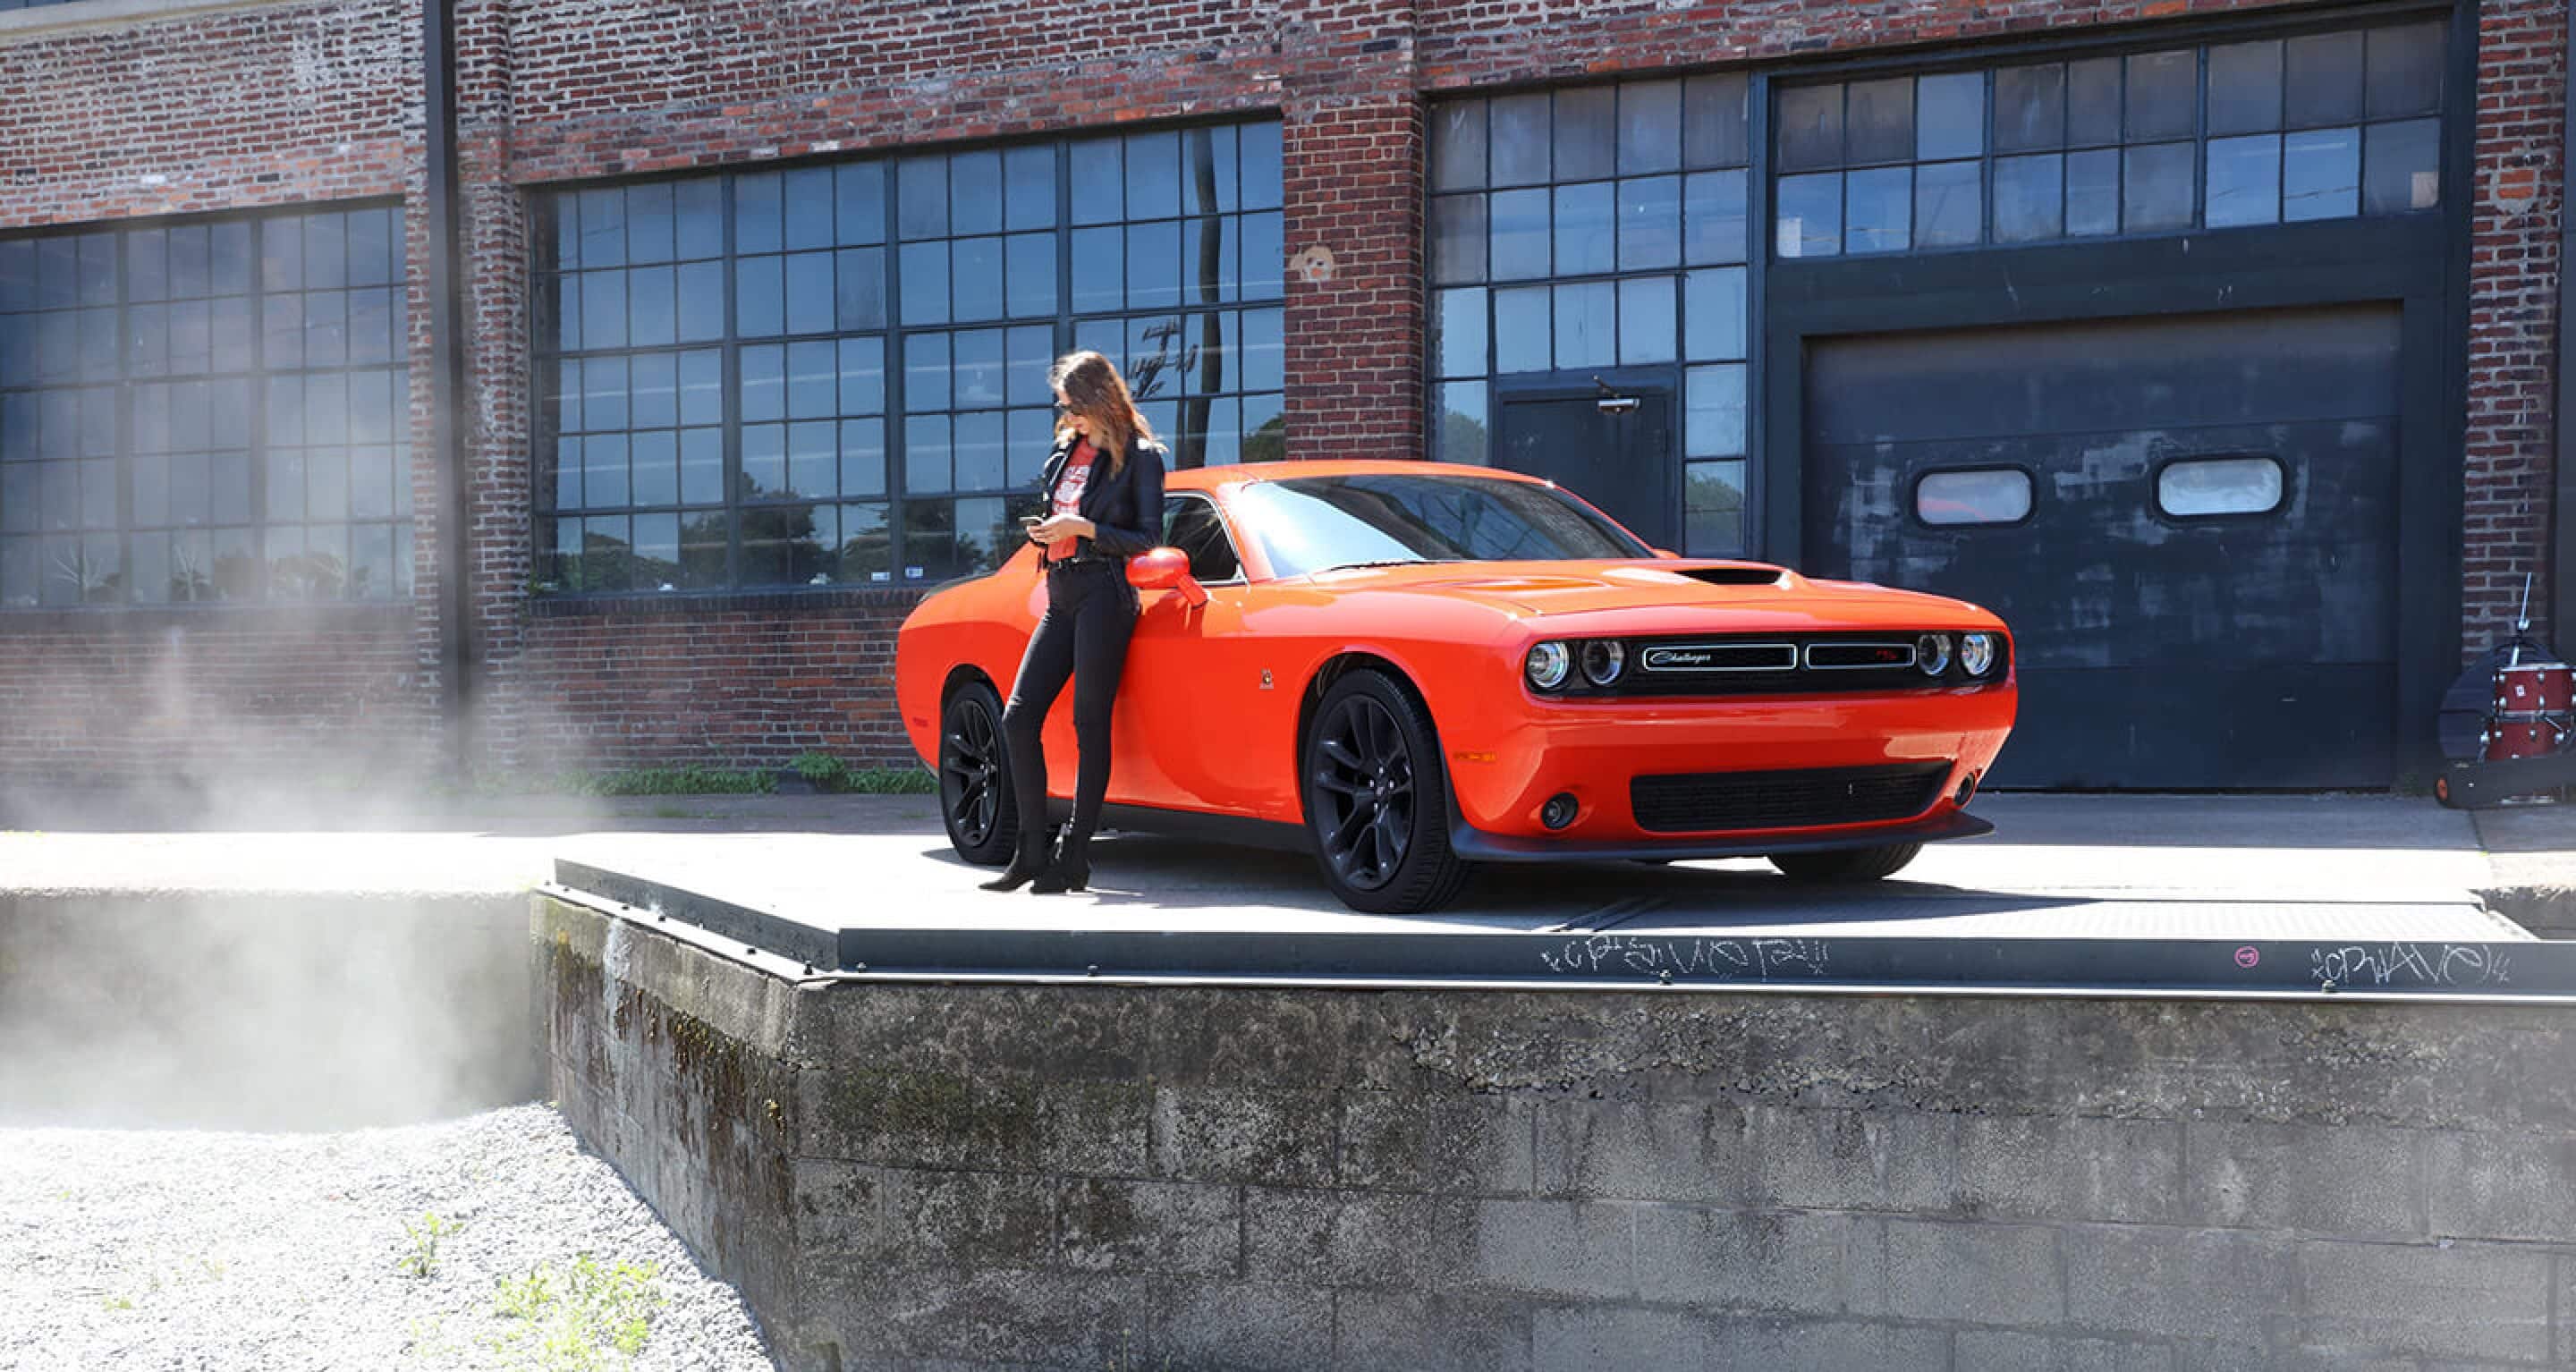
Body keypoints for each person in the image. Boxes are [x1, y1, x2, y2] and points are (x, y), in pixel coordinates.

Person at [980, 351, 1168, 894]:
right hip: (1060, 589)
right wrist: (1049, 531)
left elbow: (1148, 539)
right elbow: (1064, 514)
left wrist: (1083, 527)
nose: (1067, 416)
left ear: (1098, 399)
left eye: (1073, 406)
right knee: (1018, 718)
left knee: (1090, 724)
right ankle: (1031, 852)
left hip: (1105, 593)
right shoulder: (1066, 451)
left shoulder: (1141, 457)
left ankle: (1075, 856)